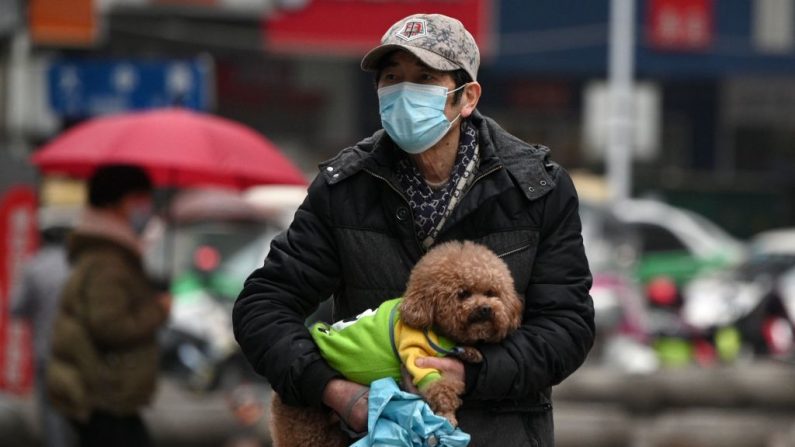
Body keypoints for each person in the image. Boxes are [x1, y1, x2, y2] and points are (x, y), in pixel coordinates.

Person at [233, 13, 594, 446]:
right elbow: (263, 305)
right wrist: (333, 390)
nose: (404, 91)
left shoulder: (535, 189)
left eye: (424, 77)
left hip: (500, 432)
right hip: (377, 433)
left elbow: (567, 325)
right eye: (392, 77)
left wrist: (472, 374)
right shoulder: (345, 188)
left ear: (467, 97)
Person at [46, 164, 172, 447]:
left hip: (101, 392)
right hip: (104, 394)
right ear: (114, 203)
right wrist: (158, 311)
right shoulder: (109, 261)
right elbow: (110, 326)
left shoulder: (108, 252)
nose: (145, 209)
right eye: (138, 200)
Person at [10, 206, 78, 447]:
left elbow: (16, 307)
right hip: (80, 354)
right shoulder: (80, 267)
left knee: (52, 417)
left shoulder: (34, 266)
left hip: (45, 352)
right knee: (78, 412)